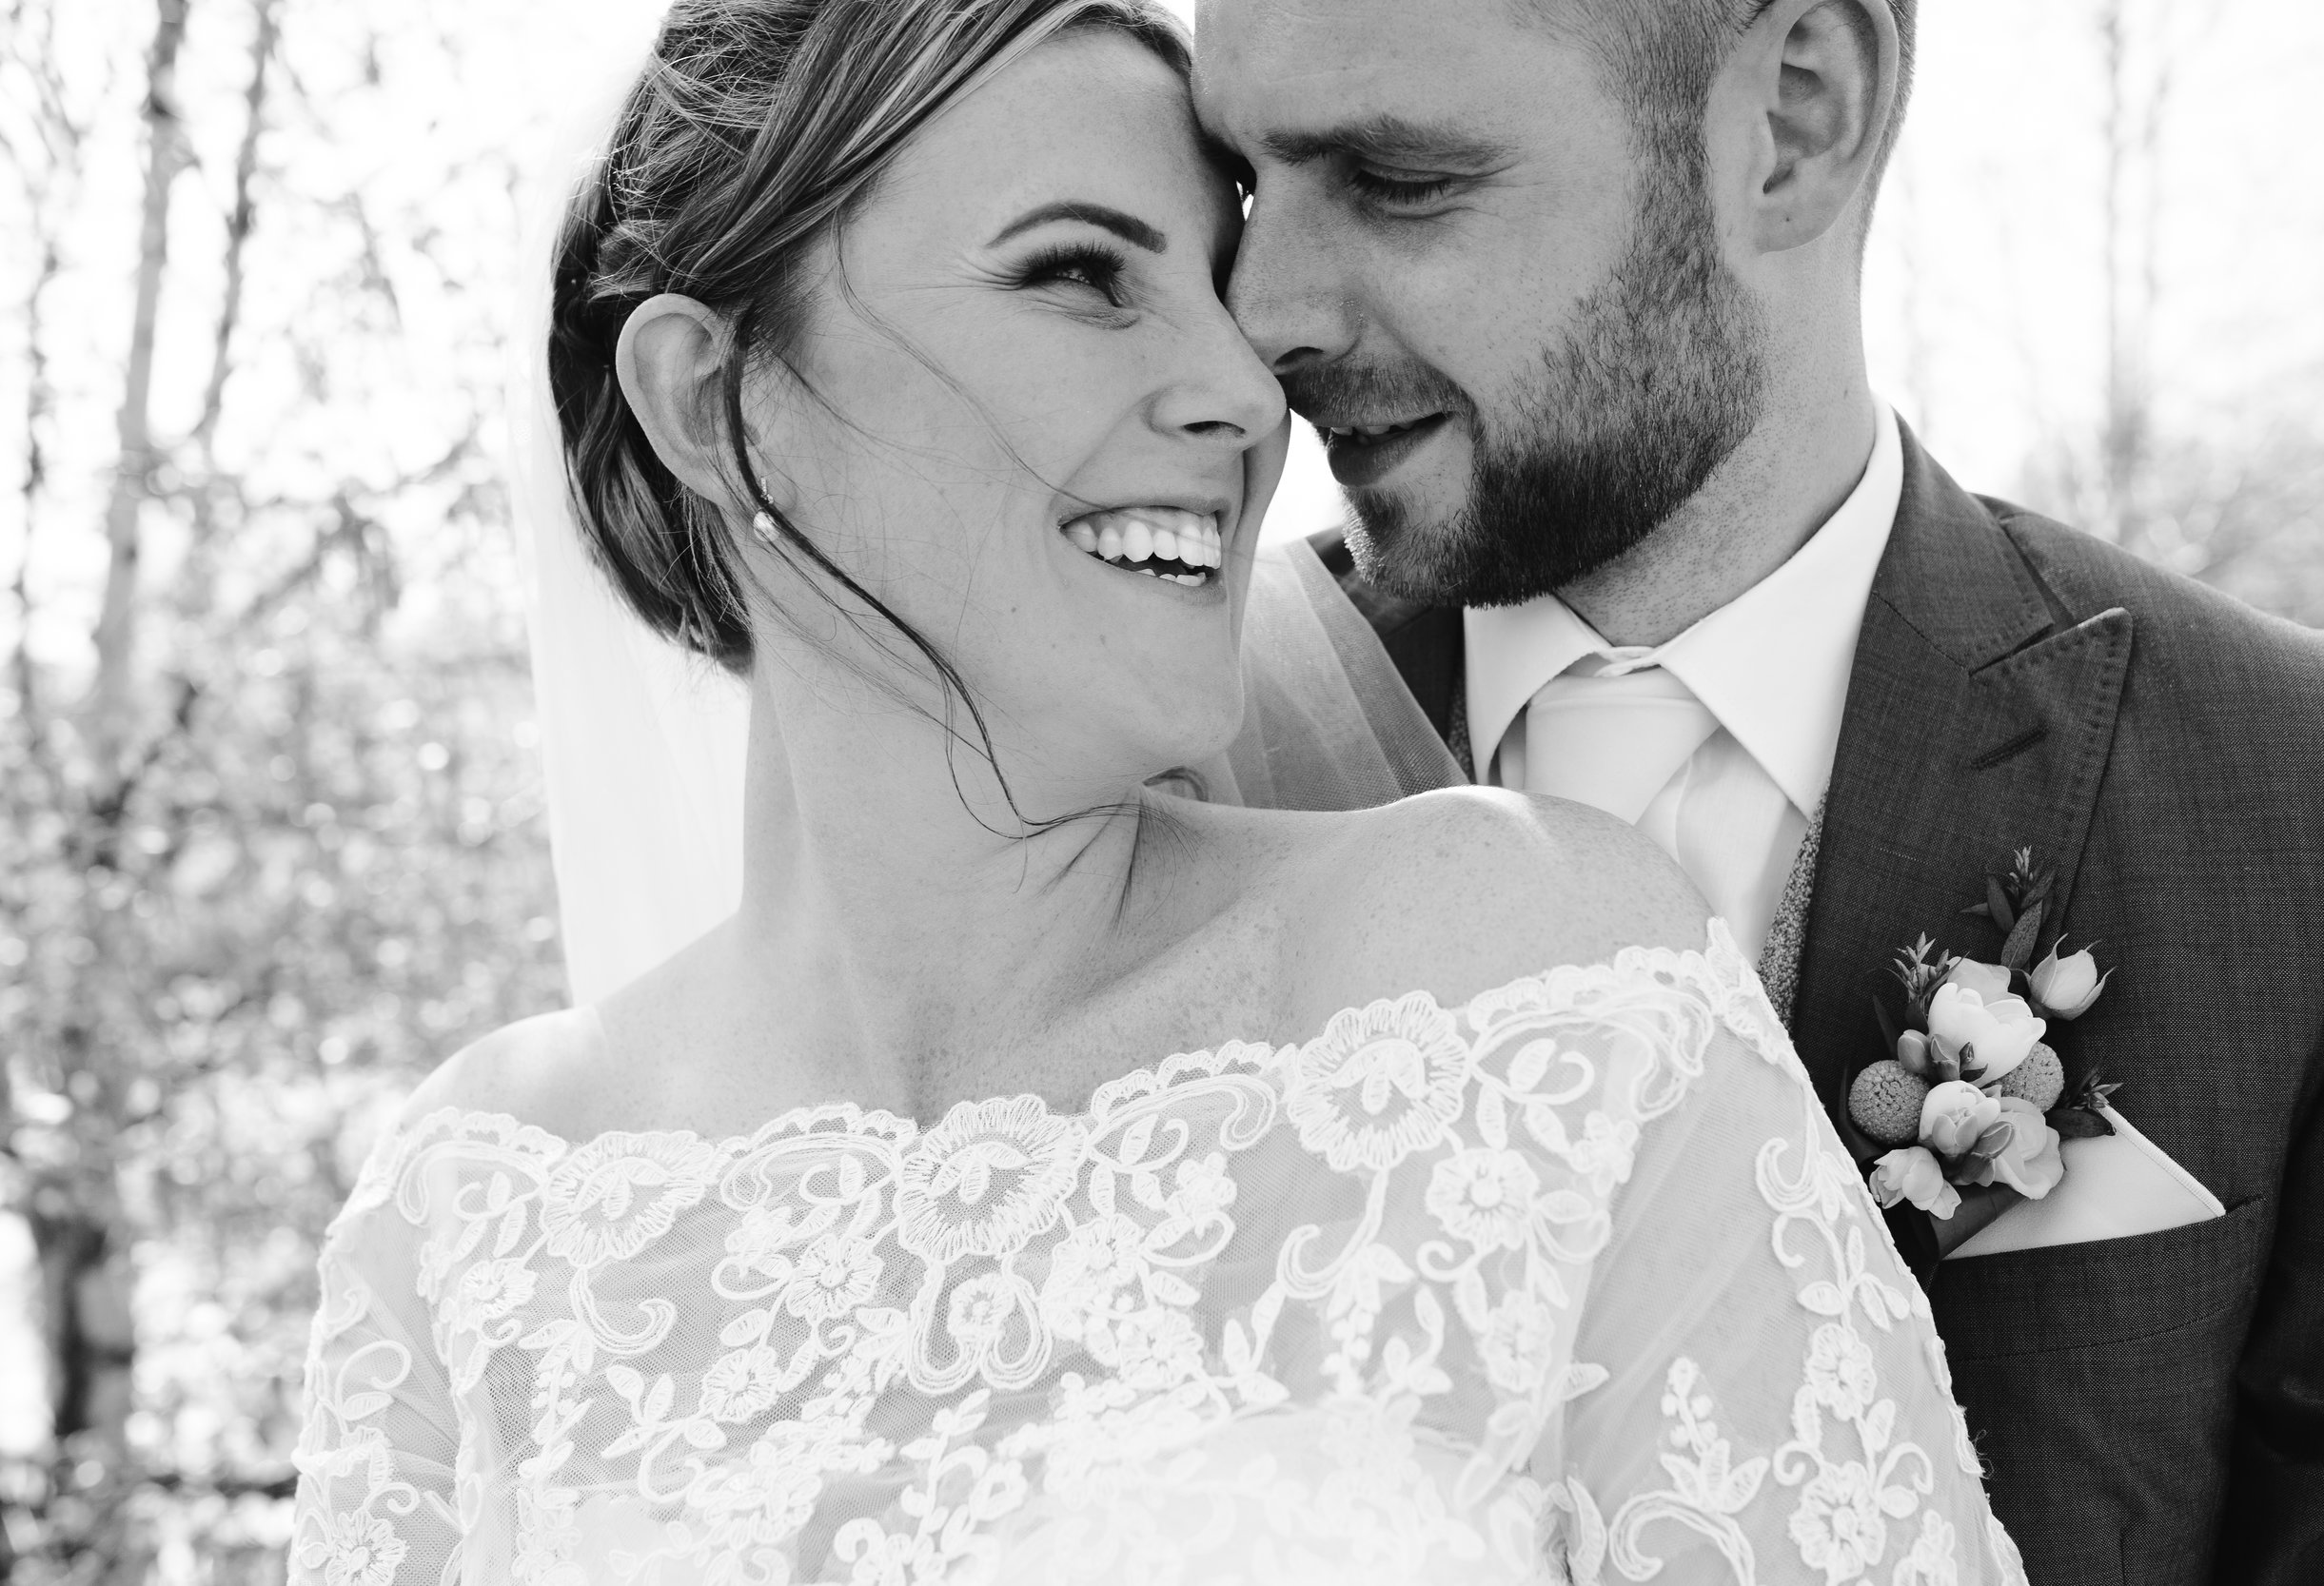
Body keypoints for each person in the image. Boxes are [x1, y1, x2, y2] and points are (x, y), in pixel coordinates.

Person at [287, 2, 2016, 1583]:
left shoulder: (1520, 997)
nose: (1244, 389)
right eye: (1078, 276)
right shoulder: (476, 1221)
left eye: (1216, 282)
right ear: (710, 398)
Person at [1186, 1, 2324, 1582]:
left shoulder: (2317, 796)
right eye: (1244, 187)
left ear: (1795, 120)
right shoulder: (1162, 766)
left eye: (1399, 178)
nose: (1260, 316)